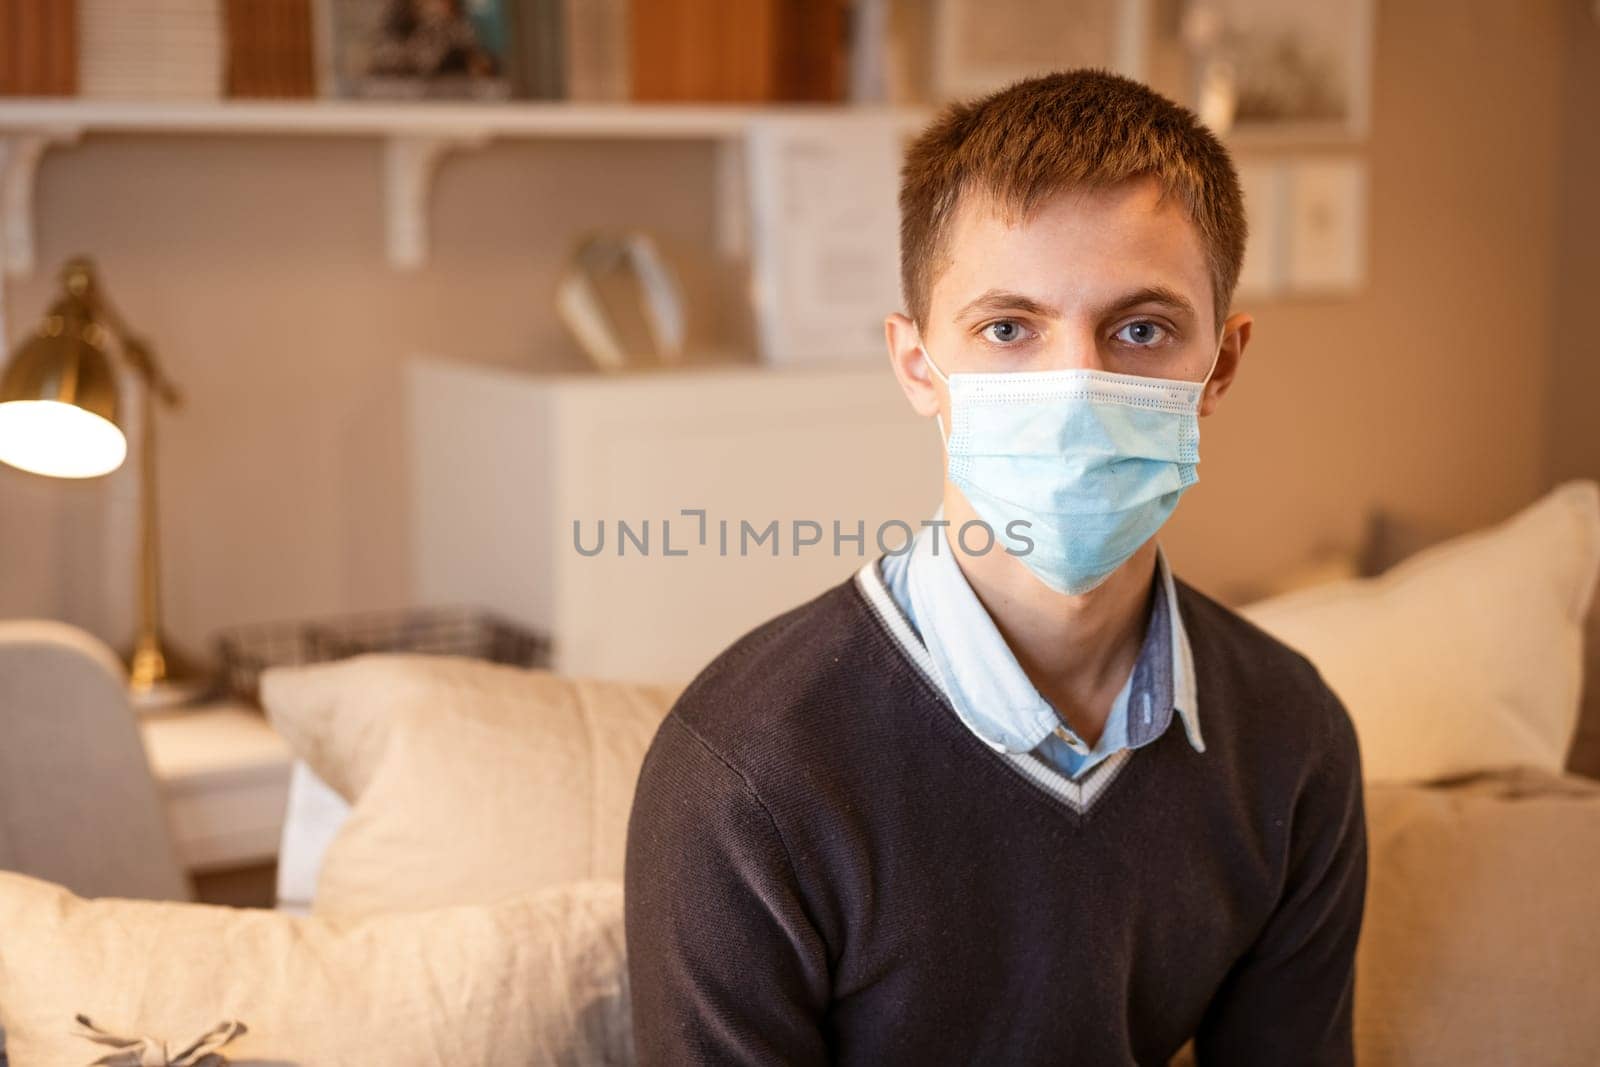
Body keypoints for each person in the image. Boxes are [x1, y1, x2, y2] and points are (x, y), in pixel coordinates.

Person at [624, 69, 1366, 1066]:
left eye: (1138, 330)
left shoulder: (1293, 737)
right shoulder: (745, 773)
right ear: (918, 366)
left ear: (1219, 366)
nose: (1072, 388)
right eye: (1007, 329)